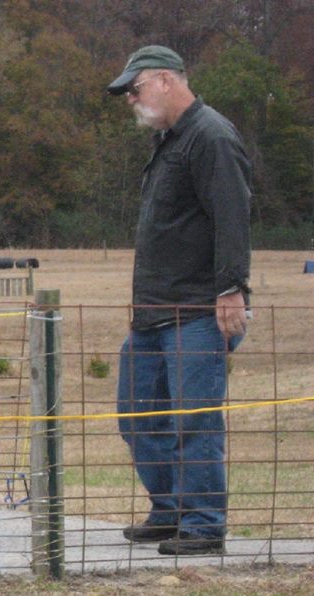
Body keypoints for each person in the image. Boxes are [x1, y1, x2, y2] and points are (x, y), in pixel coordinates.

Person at [106, 46, 252, 555]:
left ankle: (205, 523)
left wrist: (231, 289)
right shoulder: (168, 142)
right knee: (137, 414)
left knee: (195, 418)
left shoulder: (210, 136)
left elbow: (232, 217)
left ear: (165, 80)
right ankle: (169, 509)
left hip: (196, 311)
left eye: (135, 87)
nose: (130, 98)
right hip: (152, 311)